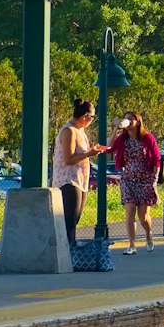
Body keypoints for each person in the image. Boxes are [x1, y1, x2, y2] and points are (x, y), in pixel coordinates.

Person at [51, 99, 108, 245]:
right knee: (70, 219)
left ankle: (71, 249)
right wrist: (88, 154)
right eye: (92, 117)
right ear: (85, 116)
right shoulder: (69, 131)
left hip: (81, 179)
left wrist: (92, 151)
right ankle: (67, 250)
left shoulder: (80, 131)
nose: (92, 120)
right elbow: (68, 159)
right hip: (68, 180)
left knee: (76, 218)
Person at [111, 111, 163, 254]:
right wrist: (116, 128)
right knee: (129, 210)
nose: (127, 122)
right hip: (128, 178)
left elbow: (157, 159)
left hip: (145, 178)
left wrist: (155, 178)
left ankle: (148, 234)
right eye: (126, 119)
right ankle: (132, 245)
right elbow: (110, 148)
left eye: (130, 119)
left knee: (143, 216)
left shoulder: (147, 138)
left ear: (138, 122)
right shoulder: (123, 139)